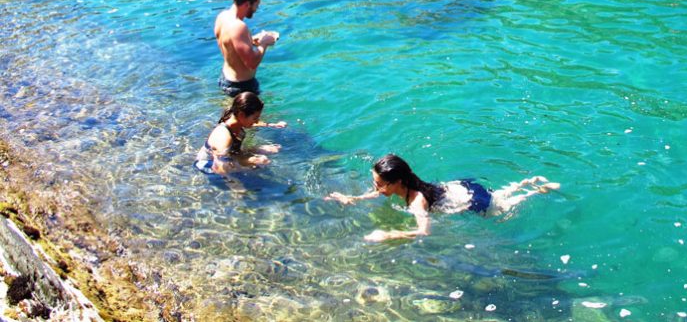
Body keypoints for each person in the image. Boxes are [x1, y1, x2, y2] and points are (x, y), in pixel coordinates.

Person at [325, 154, 560, 242]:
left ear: (396, 182)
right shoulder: (407, 183)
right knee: (500, 194)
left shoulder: (417, 202)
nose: (375, 188)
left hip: (471, 202)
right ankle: (527, 182)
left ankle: (535, 190)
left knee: (502, 207)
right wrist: (352, 199)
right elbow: (378, 192)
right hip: (459, 188)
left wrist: (391, 234)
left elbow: (424, 231)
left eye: (378, 183)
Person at [194, 91, 286, 175]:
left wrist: (272, 125)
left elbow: (254, 123)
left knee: (273, 149)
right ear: (241, 114)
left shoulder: (235, 119)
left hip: (231, 155)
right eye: (255, 118)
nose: (256, 121)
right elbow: (220, 168)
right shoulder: (224, 137)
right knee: (262, 160)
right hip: (208, 166)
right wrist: (238, 189)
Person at [214, 0, 279, 97]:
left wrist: (252, 39)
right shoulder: (239, 27)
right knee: (254, 115)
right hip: (241, 87)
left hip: (226, 79)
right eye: (256, 5)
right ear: (248, 4)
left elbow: (230, 43)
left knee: (230, 114)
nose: (256, 9)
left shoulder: (222, 17)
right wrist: (264, 43)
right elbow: (252, 63)